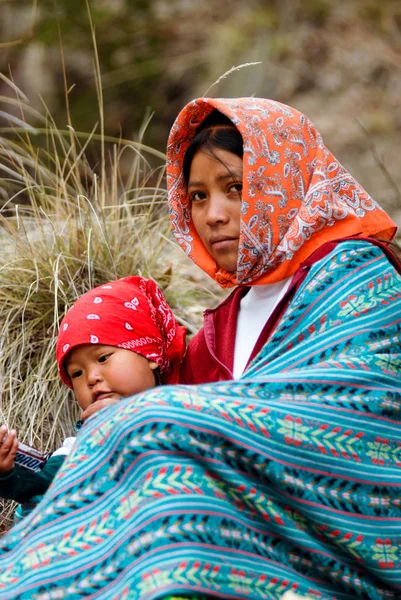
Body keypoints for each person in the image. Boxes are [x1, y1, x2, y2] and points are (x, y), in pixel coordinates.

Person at [0, 97, 400, 600]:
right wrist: (25, 469)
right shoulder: (220, 328)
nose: (213, 215)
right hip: (239, 539)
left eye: (236, 188)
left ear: (287, 178)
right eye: (197, 196)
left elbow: (356, 411)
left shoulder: (353, 273)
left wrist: (161, 421)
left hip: (349, 531)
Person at [0, 275, 185, 522]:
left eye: (103, 358)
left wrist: (134, 417)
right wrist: (8, 473)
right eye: (76, 373)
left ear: (150, 354)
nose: (91, 378)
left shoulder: (187, 415)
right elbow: (43, 487)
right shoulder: (77, 450)